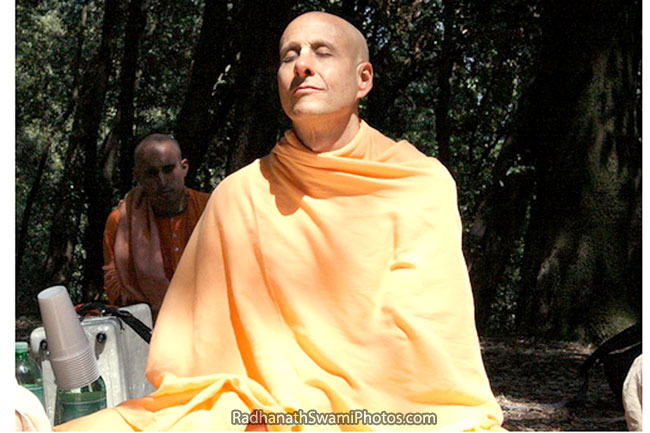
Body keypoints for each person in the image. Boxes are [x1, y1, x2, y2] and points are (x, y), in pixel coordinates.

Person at [57, 12, 503, 431]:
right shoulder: (239, 195)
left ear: (363, 79)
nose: (303, 65)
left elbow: (424, 332)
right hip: (249, 409)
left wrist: (319, 401)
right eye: (290, 55)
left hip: (390, 403)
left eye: (322, 52)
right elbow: (196, 360)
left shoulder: (416, 183)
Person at [102, 133, 210, 318]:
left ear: (184, 167)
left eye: (168, 169)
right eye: (151, 173)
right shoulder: (121, 222)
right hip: (149, 325)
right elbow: (114, 281)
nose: (162, 181)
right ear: (138, 176)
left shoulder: (212, 208)